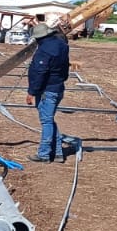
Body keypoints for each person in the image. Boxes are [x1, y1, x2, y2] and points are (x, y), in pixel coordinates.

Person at [26, 16, 71, 162]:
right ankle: (57, 153)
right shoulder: (62, 45)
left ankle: (44, 154)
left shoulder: (44, 50)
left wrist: (32, 92)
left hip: (47, 90)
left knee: (46, 121)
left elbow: (40, 73)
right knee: (49, 120)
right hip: (58, 87)